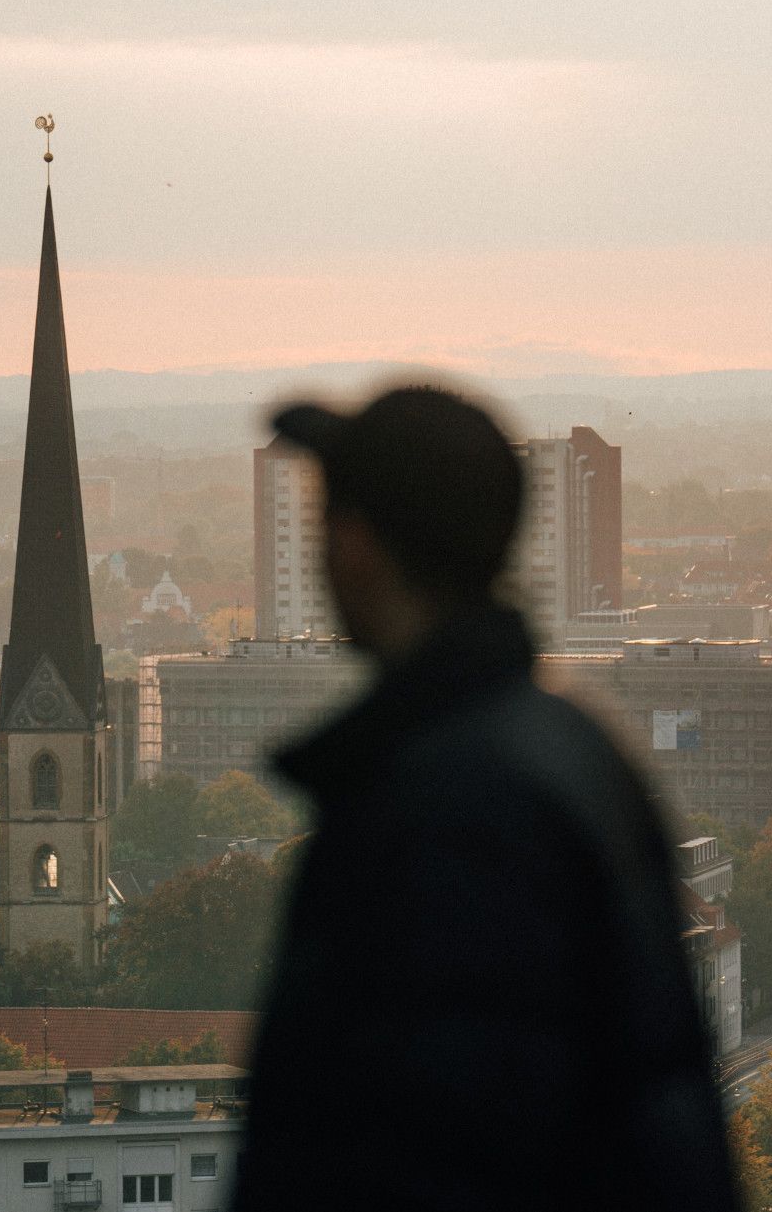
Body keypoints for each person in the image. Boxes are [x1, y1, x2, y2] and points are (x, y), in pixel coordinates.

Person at [232, 388, 738, 1211]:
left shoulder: (440, 807)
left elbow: (423, 1155)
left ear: (360, 546)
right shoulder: (574, 743)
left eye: (327, 522)